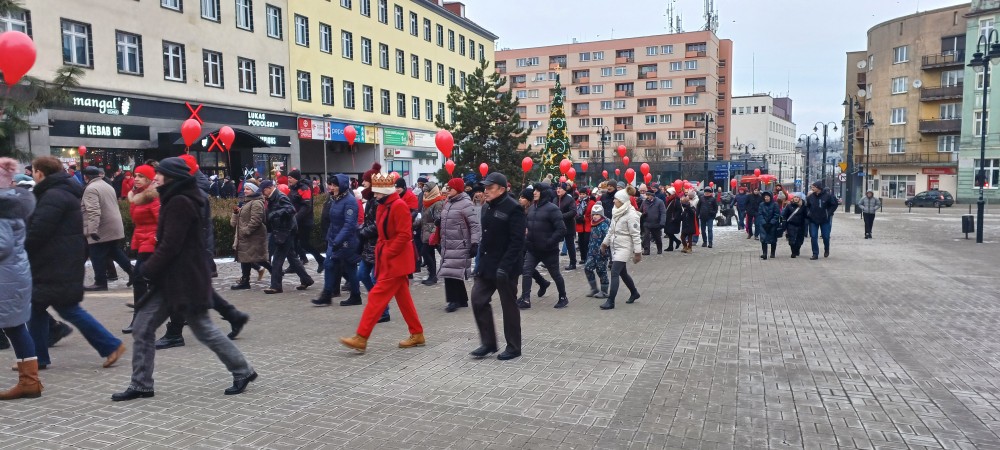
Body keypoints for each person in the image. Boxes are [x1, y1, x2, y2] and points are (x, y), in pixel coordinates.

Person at [112, 157, 256, 401]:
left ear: (171, 177)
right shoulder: (175, 198)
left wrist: (146, 269)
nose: (154, 177)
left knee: (204, 330)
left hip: (184, 278)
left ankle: (243, 370)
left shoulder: (180, 202)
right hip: (173, 279)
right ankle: (141, 384)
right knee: (143, 327)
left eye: (159, 174)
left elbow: (171, 245)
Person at [24, 157, 127, 371]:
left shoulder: (53, 195)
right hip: (57, 260)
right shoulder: (61, 191)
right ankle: (36, 358)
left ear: (41, 173)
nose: (33, 174)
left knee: (68, 309)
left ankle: (111, 345)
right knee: (36, 308)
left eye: (33, 171)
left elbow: (39, 231)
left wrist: (22, 247)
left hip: (55, 263)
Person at [339, 173, 425, 353]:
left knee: (376, 296)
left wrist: (388, 252)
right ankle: (417, 334)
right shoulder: (383, 206)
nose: (374, 195)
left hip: (396, 260)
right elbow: (381, 230)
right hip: (389, 257)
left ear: (385, 192)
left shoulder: (398, 206)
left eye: (377, 192)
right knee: (404, 299)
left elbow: (404, 235)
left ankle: (361, 337)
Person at [469, 172, 525, 360]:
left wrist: (505, 267)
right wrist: (479, 263)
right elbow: (485, 237)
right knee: (478, 299)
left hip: (506, 267)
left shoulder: (514, 208)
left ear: (502, 189)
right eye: (485, 188)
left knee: (508, 306)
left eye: (490, 188)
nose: (485, 191)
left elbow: (517, 242)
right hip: (487, 264)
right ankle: (488, 343)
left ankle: (514, 347)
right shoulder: (487, 207)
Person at [0, 158, 42, 400]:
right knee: (14, 327)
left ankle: (30, 381)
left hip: (7, 276)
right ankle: (29, 381)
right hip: (12, 273)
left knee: (14, 327)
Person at [81, 166, 133, 291]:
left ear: (86, 177)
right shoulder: (107, 185)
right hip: (113, 225)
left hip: (101, 227)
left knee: (96, 255)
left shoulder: (91, 189)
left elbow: (93, 211)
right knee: (114, 252)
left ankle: (100, 282)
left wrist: (92, 230)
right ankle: (134, 273)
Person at [312, 174, 361, 306]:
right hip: (334, 240)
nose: (330, 187)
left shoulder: (350, 201)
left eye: (334, 185)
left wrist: (338, 240)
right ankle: (327, 294)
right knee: (328, 265)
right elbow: (332, 222)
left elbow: (349, 224)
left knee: (350, 268)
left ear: (342, 186)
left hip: (346, 241)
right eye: (330, 184)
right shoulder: (335, 199)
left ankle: (356, 295)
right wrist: (329, 237)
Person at [122, 165, 159, 334]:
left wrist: (153, 239)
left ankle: (139, 317)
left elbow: (162, 222)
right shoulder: (137, 196)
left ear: (149, 179)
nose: (136, 178)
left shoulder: (153, 197)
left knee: (138, 277)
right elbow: (139, 223)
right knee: (154, 281)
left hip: (151, 242)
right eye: (135, 175)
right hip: (142, 240)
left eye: (141, 176)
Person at [520, 183, 568, 309]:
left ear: (544, 193)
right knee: (526, 271)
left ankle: (563, 297)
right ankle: (525, 299)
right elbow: (527, 226)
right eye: (534, 190)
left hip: (548, 250)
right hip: (532, 249)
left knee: (555, 274)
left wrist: (549, 242)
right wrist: (526, 239)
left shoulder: (552, 209)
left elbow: (561, 229)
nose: (534, 193)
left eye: (537, 191)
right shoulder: (531, 208)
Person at [261, 180, 314, 294]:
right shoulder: (271, 197)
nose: (263, 193)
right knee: (292, 257)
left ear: (270, 188)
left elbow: (291, 209)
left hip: (286, 231)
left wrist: (275, 214)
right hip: (281, 230)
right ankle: (306, 279)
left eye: (264, 190)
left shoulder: (280, 196)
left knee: (277, 260)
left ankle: (276, 286)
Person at [438, 178, 481, 313]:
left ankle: (453, 301)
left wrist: (475, 243)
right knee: (452, 271)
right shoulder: (449, 202)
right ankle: (462, 299)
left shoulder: (465, 203)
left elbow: (474, 225)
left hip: (459, 243)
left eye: (450, 188)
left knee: (451, 271)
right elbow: (449, 218)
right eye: (447, 188)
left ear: (458, 189)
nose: (448, 190)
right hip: (448, 242)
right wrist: (439, 221)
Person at [598, 185, 642, 310]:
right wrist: (604, 243)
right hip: (614, 246)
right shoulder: (616, 211)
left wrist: (637, 252)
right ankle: (634, 293)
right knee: (623, 273)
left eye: (616, 199)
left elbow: (636, 234)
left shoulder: (631, 214)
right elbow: (611, 230)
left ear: (622, 201)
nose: (613, 201)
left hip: (624, 247)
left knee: (614, 272)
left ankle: (610, 301)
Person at [357, 166, 390, 323]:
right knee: (362, 274)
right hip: (368, 245)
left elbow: (379, 224)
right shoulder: (370, 200)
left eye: (365, 180)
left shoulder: (378, 201)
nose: (363, 182)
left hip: (377, 245)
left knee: (375, 278)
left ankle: (383, 310)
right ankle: (377, 302)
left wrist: (362, 232)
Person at [229, 180, 271, 290]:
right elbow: (234, 223)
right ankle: (245, 280)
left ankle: (275, 272)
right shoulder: (246, 203)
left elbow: (256, 220)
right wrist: (235, 213)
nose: (245, 191)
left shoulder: (256, 203)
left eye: (248, 189)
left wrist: (245, 231)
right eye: (245, 188)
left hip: (253, 237)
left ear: (254, 190)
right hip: (245, 237)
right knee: (246, 258)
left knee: (256, 258)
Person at [285, 170, 324, 272]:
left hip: (304, 222)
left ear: (296, 178)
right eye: (288, 178)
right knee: (292, 243)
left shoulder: (304, 188)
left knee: (304, 244)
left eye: (291, 178)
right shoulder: (293, 189)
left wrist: (296, 218)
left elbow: (306, 206)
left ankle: (320, 260)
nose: (289, 180)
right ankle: (295, 264)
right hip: (295, 221)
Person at [417, 181, 445, 286]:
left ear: (433, 191)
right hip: (427, 233)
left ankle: (434, 275)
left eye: (427, 191)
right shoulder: (427, 202)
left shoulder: (438, 203)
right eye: (424, 191)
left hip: (433, 234)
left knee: (427, 252)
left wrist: (433, 234)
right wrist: (414, 224)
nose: (425, 193)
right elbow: (424, 218)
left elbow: (439, 220)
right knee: (429, 253)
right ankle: (432, 275)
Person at [583, 203, 610, 299]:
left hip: (601, 253)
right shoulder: (593, 224)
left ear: (601, 215)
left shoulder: (604, 225)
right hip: (592, 252)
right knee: (587, 268)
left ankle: (604, 291)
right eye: (593, 214)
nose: (594, 216)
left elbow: (608, 238)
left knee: (601, 271)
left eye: (597, 214)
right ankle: (594, 288)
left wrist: (606, 250)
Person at [806, 181, 839, 260]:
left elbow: (834, 204)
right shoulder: (810, 197)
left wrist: (829, 213)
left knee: (826, 236)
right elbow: (807, 206)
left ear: (818, 188)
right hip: (813, 220)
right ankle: (815, 253)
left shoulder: (827, 196)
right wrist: (809, 213)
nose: (812, 189)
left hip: (825, 219)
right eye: (812, 187)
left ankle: (826, 249)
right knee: (813, 236)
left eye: (814, 187)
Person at [555, 183, 578, 270]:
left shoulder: (569, 199)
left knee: (570, 245)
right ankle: (551, 261)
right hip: (557, 226)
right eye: (557, 188)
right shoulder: (555, 199)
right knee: (554, 244)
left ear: (564, 190)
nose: (558, 190)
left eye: (560, 188)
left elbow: (573, 212)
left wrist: (561, 216)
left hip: (568, 225)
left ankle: (573, 263)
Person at [639, 189, 666, 255]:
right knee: (646, 236)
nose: (647, 196)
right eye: (647, 195)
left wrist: (662, 222)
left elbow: (663, 213)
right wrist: (642, 214)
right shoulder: (644, 202)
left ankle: (659, 249)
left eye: (649, 195)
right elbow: (640, 211)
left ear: (652, 195)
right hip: (646, 222)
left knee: (657, 237)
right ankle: (646, 250)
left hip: (656, 223)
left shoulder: (660, 202)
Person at [782, 193, 808, 258]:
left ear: (800, 199)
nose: (796, 198)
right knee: (791, 240)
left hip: (800, 225)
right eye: (795, 197)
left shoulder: (803, 207)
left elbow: (806, 216)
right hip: (791, 224)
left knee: (800, 240)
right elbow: (784, 215)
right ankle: (793, 252)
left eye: (797, 197)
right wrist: (784, 224)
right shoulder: (789, 206)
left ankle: (797, 249)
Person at [757, 191, 781, 260]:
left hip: (772, 224)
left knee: (773, 239)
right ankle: (764, 253)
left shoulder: (775, 204)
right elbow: (760, 214)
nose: (766, 198)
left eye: (768, 197)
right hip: (763, 224)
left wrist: (771, 223)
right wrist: (763, 222)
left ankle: (772, 253)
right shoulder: (761, 204)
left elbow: (777, 214)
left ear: (770, 197)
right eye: (765, 197)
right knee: (763, 239)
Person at [575, 188, 596, 265]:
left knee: (587, 242)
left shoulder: (592, 203)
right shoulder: (577, 202)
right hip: (580, 224)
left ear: (587, 194)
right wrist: (577, 217)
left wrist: (585, 218)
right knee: (581, 242)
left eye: (583, 194)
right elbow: (575, 211)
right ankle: (583, 258)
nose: (582, 195)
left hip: (588, 225)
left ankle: (588, 257)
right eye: (580, 194)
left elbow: (594, 214)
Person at [663, 187, 683, 251]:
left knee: (669, 232)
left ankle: (676, 242)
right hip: (668, 218)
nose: (666, 194)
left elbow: (679, 210)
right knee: (668, 232)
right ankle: (671, 245)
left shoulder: (676, 201)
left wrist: (674, 218)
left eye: (667, 193)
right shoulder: (669, 200)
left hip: (673, 219)